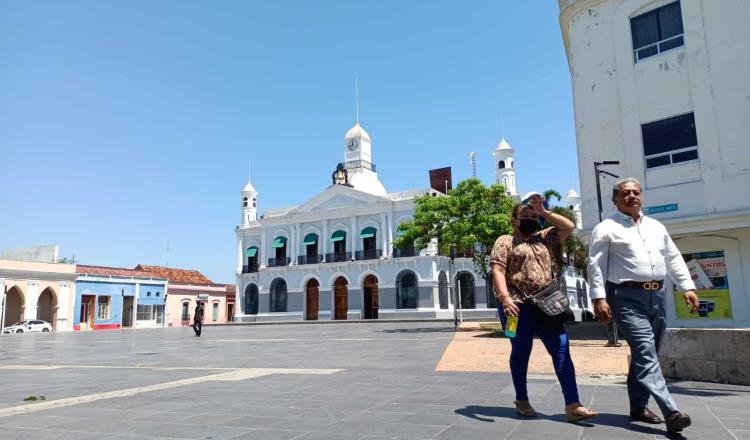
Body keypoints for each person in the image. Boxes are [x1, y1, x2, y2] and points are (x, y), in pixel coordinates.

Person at [588, 178, 699, 434]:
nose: (631, 197)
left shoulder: (656, 226)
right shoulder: (606, 228)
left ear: (641, 197)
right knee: (645, 350)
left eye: (636, 193)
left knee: (646, 354)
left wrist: (687, 287)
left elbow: (671, 257)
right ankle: (671, 411)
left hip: (657, 296)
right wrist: (599, 298)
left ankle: (638, 407)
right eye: (625, 193)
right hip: (625, 298)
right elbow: (595, 265)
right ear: (615, 199)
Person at [490, 194, 597, 422]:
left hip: (547, 304)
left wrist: (544, 213)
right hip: (517, 306)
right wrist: (505, 298)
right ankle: (522, 399)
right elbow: (498, 270)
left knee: (561, 349)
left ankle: (573, 404)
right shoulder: (505, 241)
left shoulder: (544, 238)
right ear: (514, 221)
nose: (530, 218)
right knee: (521, 350)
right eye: (524, 215)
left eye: (532, 216)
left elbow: (569, 226)